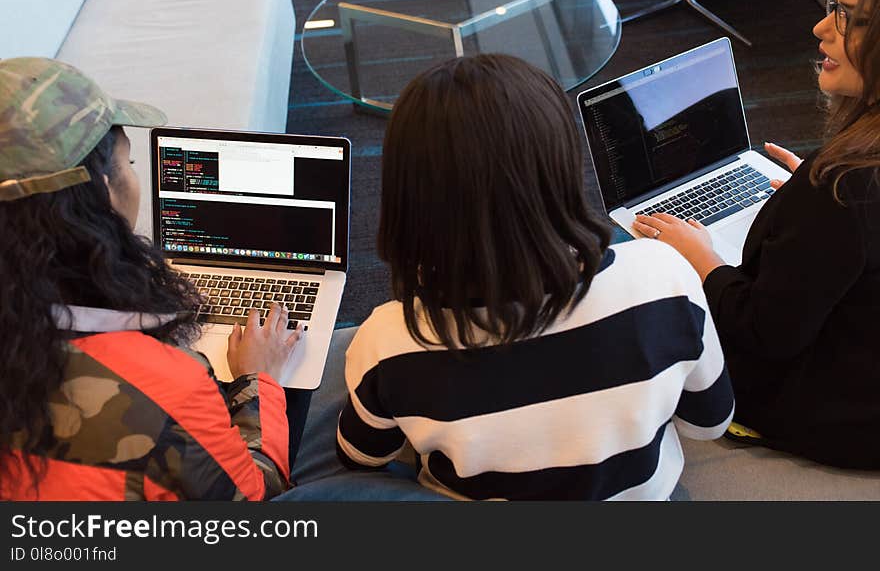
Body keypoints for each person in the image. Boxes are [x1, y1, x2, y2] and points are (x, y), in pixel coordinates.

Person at [335, 54, 734, 500]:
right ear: (562, 166)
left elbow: (361, 455)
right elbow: (709, 422)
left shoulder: (389, 341)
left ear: (407, 196)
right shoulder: (666, 275)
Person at [633, 0, 880, 469]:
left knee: (645, 294)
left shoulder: (842, 187)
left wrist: (703, 261)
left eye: (851, 19)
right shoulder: (846, 184)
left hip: (842, 416)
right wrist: (805, 213)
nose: (820, 27)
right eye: (833, 4)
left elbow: (767, 335)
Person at [0, 57, 302, 500]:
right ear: (102, 191)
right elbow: (253, 495)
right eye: (129, 162)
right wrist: (260, 379)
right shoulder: (166, 392)